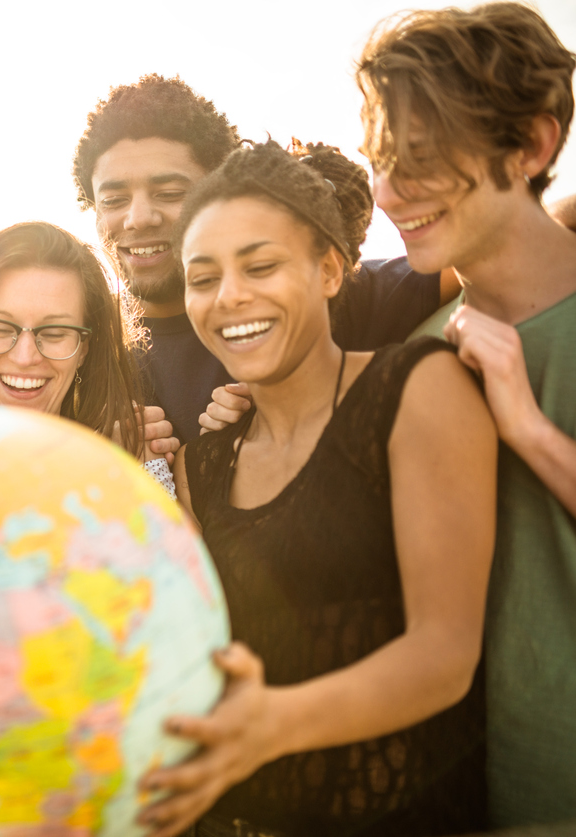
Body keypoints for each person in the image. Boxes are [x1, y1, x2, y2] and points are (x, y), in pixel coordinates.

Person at [138, 141, 496, 836]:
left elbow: (446, 653)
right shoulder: (204, 462)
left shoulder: (416, 387)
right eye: (202, 277)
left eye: (261, 265)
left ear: (330, 269)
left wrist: (271, 725)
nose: (229, 296)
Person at [357, 4, 576, 827]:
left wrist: (530, 430)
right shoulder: (418, 355)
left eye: (421, 159)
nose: (388, 191)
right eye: (381, 161)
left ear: (532, 145)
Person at [71, 75, 459, 446]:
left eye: (171, 192)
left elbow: (475, 262)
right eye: (113, 201)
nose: (138, 218)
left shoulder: (318, 298)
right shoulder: (75, 351)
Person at [0, 220, 175, 495]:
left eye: (54, 333)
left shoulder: (129, 461)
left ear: (84, 348)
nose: (25, 356)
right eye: (0, 328)